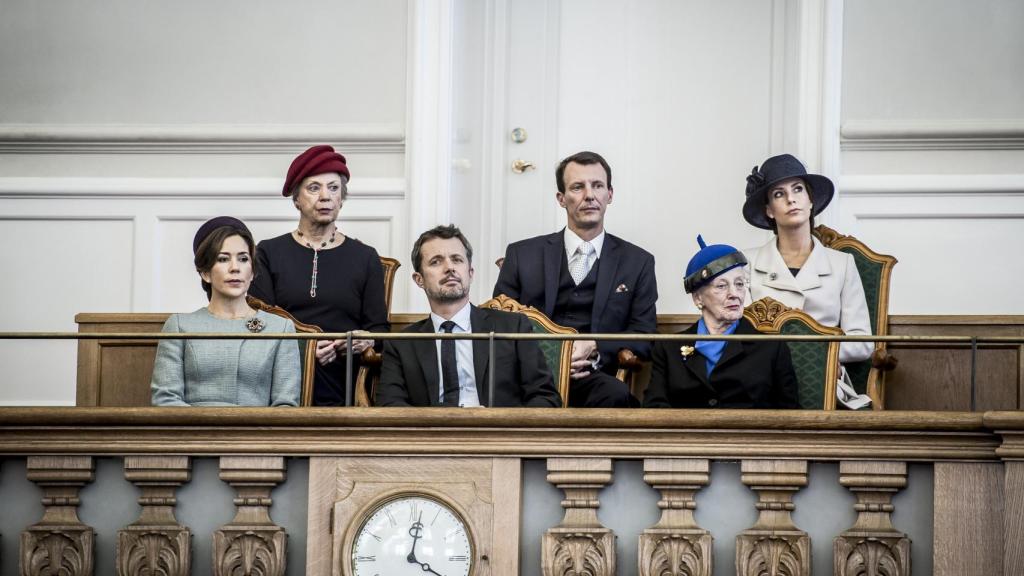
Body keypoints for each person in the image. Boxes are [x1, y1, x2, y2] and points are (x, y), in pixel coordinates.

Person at [493, 150, 656, 407]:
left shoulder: (638, 262)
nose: (589, 195)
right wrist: (548, 358)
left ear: (609, 195)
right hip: (528, 376)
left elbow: (645, 336)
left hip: (593, 376)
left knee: (618, 397)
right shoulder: (521, 254)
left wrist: (595, 345)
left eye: (598, 186)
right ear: (561, 198)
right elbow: (498, 324)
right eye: (578, 187)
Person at [250, 145, 390, 406]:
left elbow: (379, 329)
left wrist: (364, 339)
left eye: (334, 188)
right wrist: (308, 348)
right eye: (314, 188)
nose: (325, 196)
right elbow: (261, 322)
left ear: (341, 198)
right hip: (283, 372)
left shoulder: (365, 257)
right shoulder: (268, 252)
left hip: (342, 373)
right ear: (296, 199)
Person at [376, 225, 561, 408]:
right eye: (436, 262)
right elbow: (390, 405)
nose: (449, 268)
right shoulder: (401, 343)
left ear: (470, 273)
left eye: (457, 260)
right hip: (432, 434)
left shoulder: (513, 327)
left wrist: (502, 427)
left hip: (499, 434)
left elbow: (545, 397)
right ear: (419, 279)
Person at [151, 217, 301, 406]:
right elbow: (165, 400)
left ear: (253, 271)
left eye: (243, 259)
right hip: (192, 433)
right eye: (223, 259)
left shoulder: (281, 328)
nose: (235, 268)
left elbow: (285, 406)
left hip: (258, 434)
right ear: (205, 272)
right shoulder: (179, 326)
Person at [741, 153, 873, 365]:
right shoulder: (746, 262)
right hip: (764, 380)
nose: (790, 199)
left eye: (798, 189)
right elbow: (740, 335)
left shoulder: (843, 264)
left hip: (824, 379)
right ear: (769, 211)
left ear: (810, 200)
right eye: (778, 194)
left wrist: (816, 358)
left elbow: (862, 343)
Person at [643, 236, 799, 409]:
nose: (735, 294)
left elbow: (790, 416)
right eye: (721, 286)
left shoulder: (771, 348)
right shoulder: (668, 348)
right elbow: (654, 408)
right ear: (698, 298)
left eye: (739, 284)